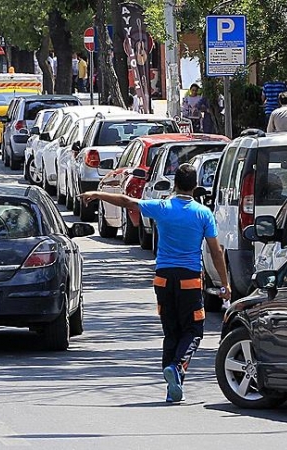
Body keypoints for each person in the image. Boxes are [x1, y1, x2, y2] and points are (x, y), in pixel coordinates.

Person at [79, 164, 231, 403]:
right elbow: (215, 252)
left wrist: (97, 194)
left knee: (171, 331)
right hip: (189, 280)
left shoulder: (162, 207)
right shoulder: (203, 213)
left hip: (162, 279)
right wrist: (224, 285)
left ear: (175, 184)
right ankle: (178, 367)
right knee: (192, 330)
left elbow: (127, 201)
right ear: (195, 186)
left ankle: (172, 385)